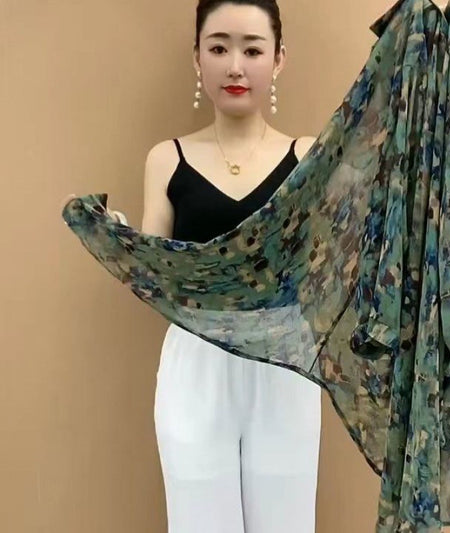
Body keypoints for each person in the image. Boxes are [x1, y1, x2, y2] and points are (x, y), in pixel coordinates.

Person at [62, 1, 321, 532]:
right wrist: (119, 239)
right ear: (197, 56)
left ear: (278, 59)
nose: (235, 66)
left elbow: (330, 260)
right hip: (195, 364)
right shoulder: (167, 158)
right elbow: (158, 274)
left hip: (285, 363)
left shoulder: (310, 158)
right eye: (219, 47)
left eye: (252, 50)